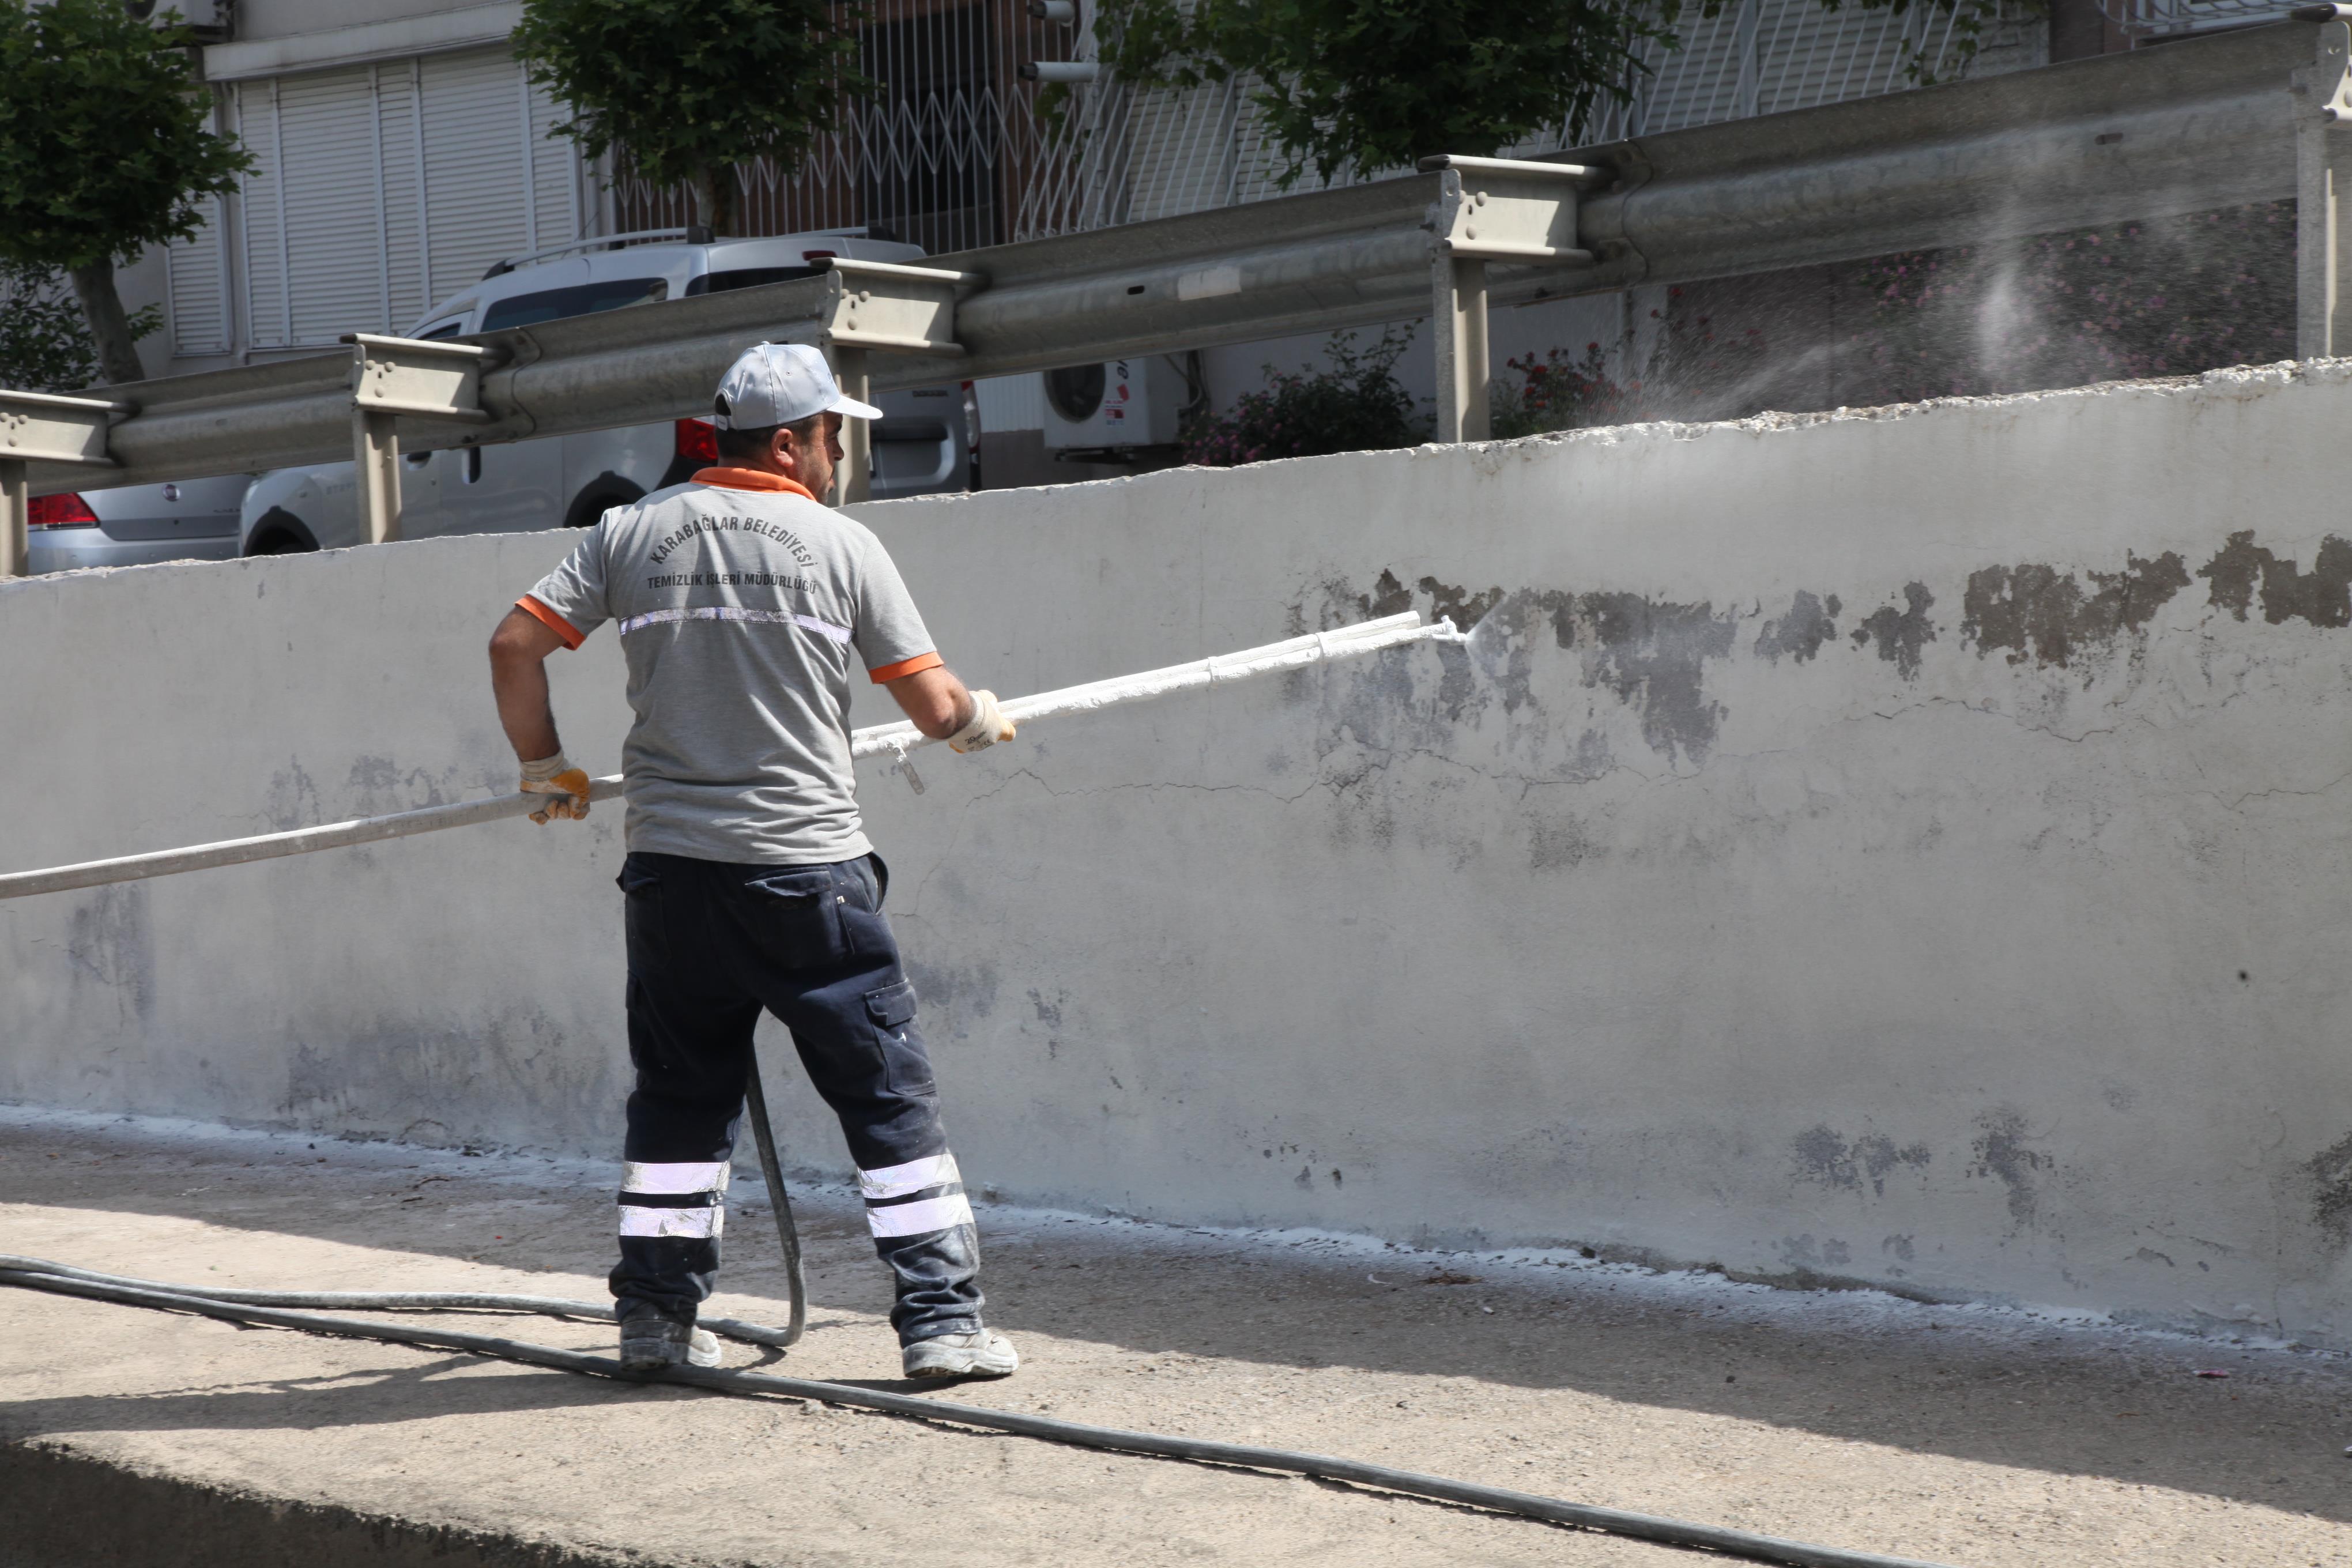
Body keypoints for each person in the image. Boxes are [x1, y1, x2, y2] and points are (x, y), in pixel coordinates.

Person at [484, 341, 1019, 1379]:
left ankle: (653, 1321)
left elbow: (514, 645)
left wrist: (543, 765)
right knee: (885, 1096)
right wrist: (970, 719)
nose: (838, 458)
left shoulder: (627, 533)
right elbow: (930, 701)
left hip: (674, 880)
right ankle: (943, 1324)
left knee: (681, 1102)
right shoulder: (840, 544)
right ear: (788, 441)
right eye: (831, 438)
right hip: (807, 872)